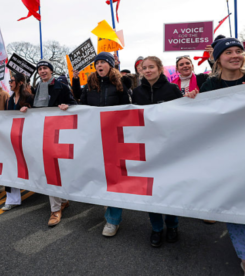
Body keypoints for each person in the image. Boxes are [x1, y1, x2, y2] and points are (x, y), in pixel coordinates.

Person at [185, 38, 245, 274]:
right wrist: (192, 102)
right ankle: (243, 253)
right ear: (218, 58)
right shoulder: (210, 86)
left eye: (239, 51)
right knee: (236, 204)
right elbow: (201, 119)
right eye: (228, 52)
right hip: (227, 156)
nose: (235, 55)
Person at [132, 56, 182, 247]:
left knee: (168, 187)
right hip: (146, 148)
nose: (148, 70)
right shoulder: (136, 92)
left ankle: (173, 225)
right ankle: (156, 228)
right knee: (150, 190)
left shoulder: (172, 89)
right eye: (144, 68)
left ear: (160, 68)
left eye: (151, 67)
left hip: (168, 147)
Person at [80, 52, 131, 237]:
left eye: (103, 62)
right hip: (95, 138)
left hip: (115, 138)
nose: (99, 65)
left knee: (113, 177)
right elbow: (83, 109)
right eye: (97, 63)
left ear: (110, 65)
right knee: (100, 174)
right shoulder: (88, 86)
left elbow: (128, 111)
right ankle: (108, 201)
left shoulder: (121, 84)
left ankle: (113, 220)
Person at [23, 59, 76, 227]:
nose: (42, 71)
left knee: (53, 170)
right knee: (50, 169)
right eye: (40, 69)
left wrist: (66, 106)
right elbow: (39, 109)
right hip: (42, 133)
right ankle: (61, 202)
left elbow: (74, 104)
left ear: (51, 71)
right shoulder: (38, 87)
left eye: (45, 68)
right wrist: (27, 108)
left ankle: (55, 210)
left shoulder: (61, 86)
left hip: (58, 134)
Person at [2, 72, 34, 211]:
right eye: (9, 81)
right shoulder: (9, 100)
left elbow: (40, 115)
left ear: (20, 82)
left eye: (12, 81)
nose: (10, 83)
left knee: (30, 165)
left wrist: (29, 110)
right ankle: (12, 199)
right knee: (10, 166)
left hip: (27, 138)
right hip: (12, 138)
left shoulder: (29, 97)